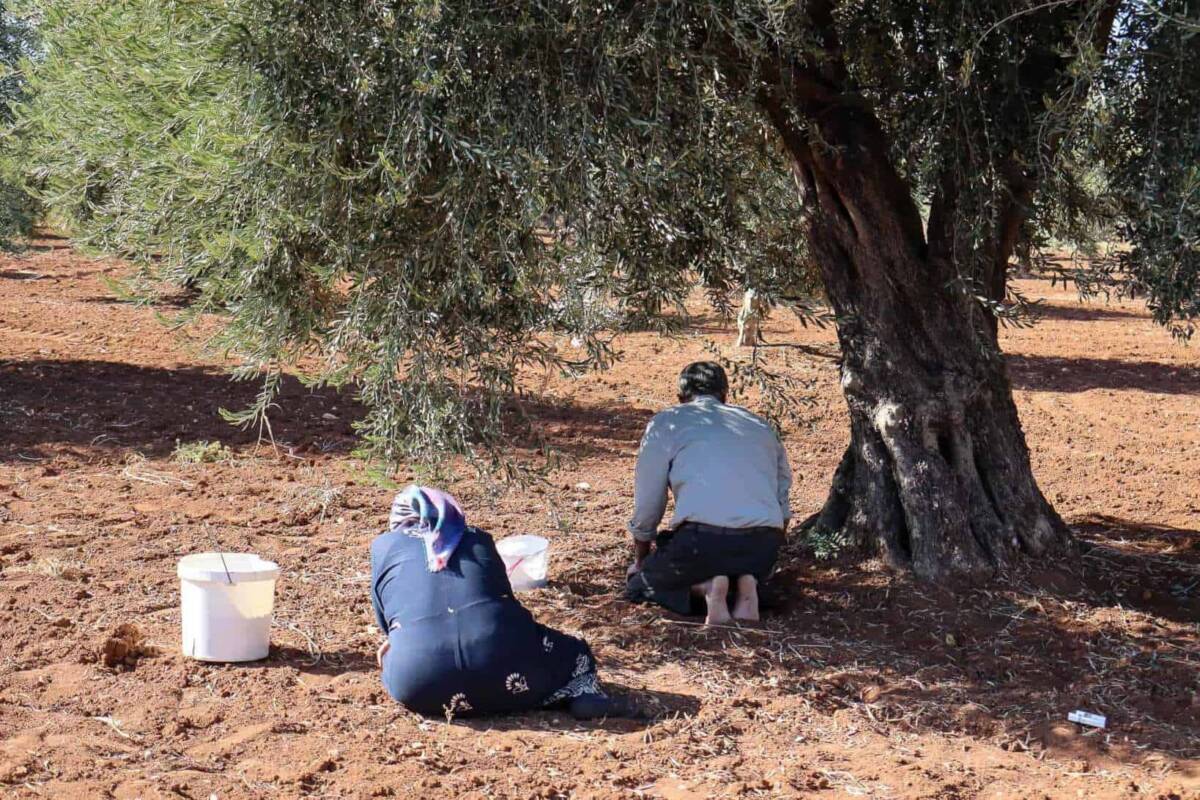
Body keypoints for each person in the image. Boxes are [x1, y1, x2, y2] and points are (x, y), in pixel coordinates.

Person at [371, 485, 635, 719]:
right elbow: (502, 601)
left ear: (397, 519)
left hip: (420, 685)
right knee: (577, 652)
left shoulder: (384, 546)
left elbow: (387, 618)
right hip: (505, 667)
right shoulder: (477, 539)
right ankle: (581, 695)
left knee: (400, 655)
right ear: (451, 512)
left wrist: (400, 639)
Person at [625, 362, 792, 625]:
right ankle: (747, 589)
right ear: (725, 395)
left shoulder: (667, 423)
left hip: (702, 543)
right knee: (743, 566)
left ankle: (705, 588)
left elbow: (649, 501)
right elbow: (782, 502)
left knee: (638, 586)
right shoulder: (758, 424)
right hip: (761, 546)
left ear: (681, 397)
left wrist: (642, 561)